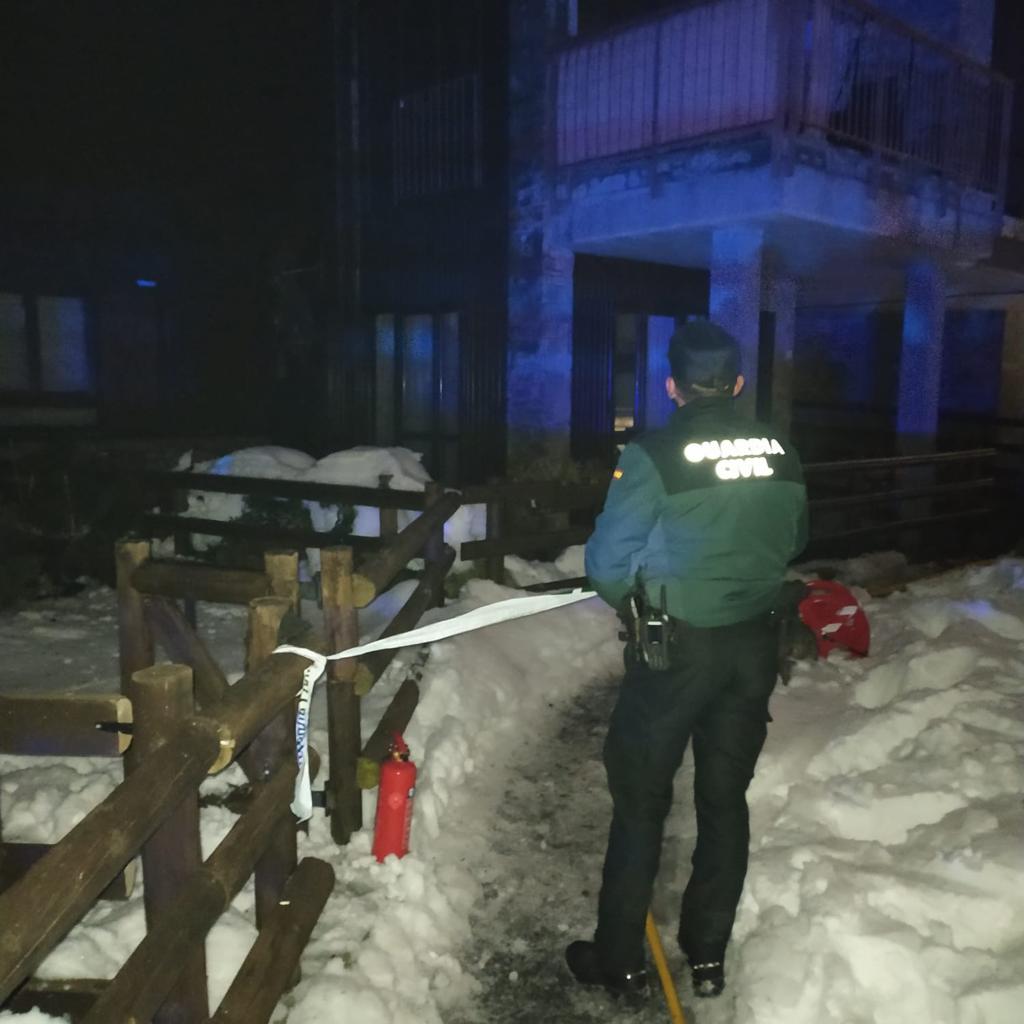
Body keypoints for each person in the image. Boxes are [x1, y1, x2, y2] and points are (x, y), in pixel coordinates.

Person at [566, 319, 808, 1001]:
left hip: (676, 651)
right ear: (736, 383)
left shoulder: (653, 454)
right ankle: (707, 955)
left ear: (672, 386)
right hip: (753, 646)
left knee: (640, 800)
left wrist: (637, 596)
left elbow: (607, 565)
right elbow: (793, 540)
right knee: (724, 799)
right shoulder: (780, 449)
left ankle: (618, 960)